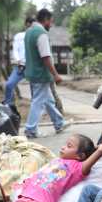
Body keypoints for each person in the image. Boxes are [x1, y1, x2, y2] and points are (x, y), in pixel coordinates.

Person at [24, 8, 67, 138]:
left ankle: (59, 123)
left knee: (48, 100)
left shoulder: (29, 32)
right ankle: (30, 129)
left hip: (32, 72)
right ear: (46, 20)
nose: (51, 25)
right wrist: (55, 74)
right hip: (41, 74)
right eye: (51, 21)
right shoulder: (41, 33)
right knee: (38, 101)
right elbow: (46, 56)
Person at [3, 17, 35, 106]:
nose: (30, 27)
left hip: (32, 67)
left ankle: (35, 106)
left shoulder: (36, 36)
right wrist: (18, 60)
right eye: (29, 25)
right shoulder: (19, 36)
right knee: (9, 84)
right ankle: (8, 105)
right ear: (26, 25)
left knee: (34, 89)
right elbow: (15, 50)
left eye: (32, 25)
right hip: (20, 66)